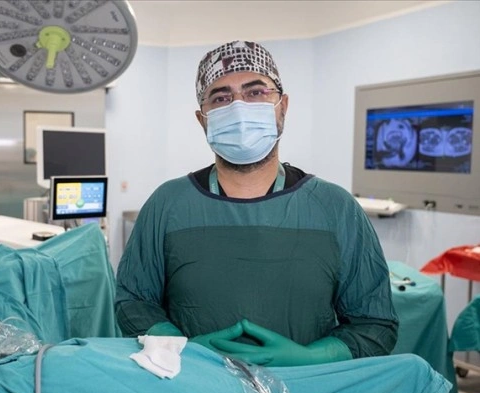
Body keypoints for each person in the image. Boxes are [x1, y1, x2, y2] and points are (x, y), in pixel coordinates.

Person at [114, 40, 399, 367]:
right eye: (221, 98)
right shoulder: (168, 205)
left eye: (256, 92)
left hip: (305, 390)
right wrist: (177, 347)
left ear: (282, 106)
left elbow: (375, 323)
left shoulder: (335, 208)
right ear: (202, 119)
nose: (239, 108)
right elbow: (133, 301)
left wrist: (312, 356)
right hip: (195, 386)